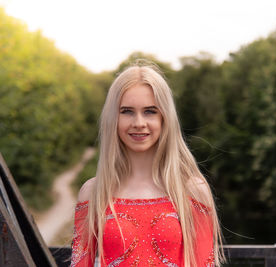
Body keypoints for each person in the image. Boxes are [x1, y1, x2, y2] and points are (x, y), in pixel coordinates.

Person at [70, 63, 224, 267]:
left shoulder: (192, 190)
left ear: (164, 118)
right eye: (127, 111)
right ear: (113, 119)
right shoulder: (93, 192)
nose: (139, 123)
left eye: (150, 111)